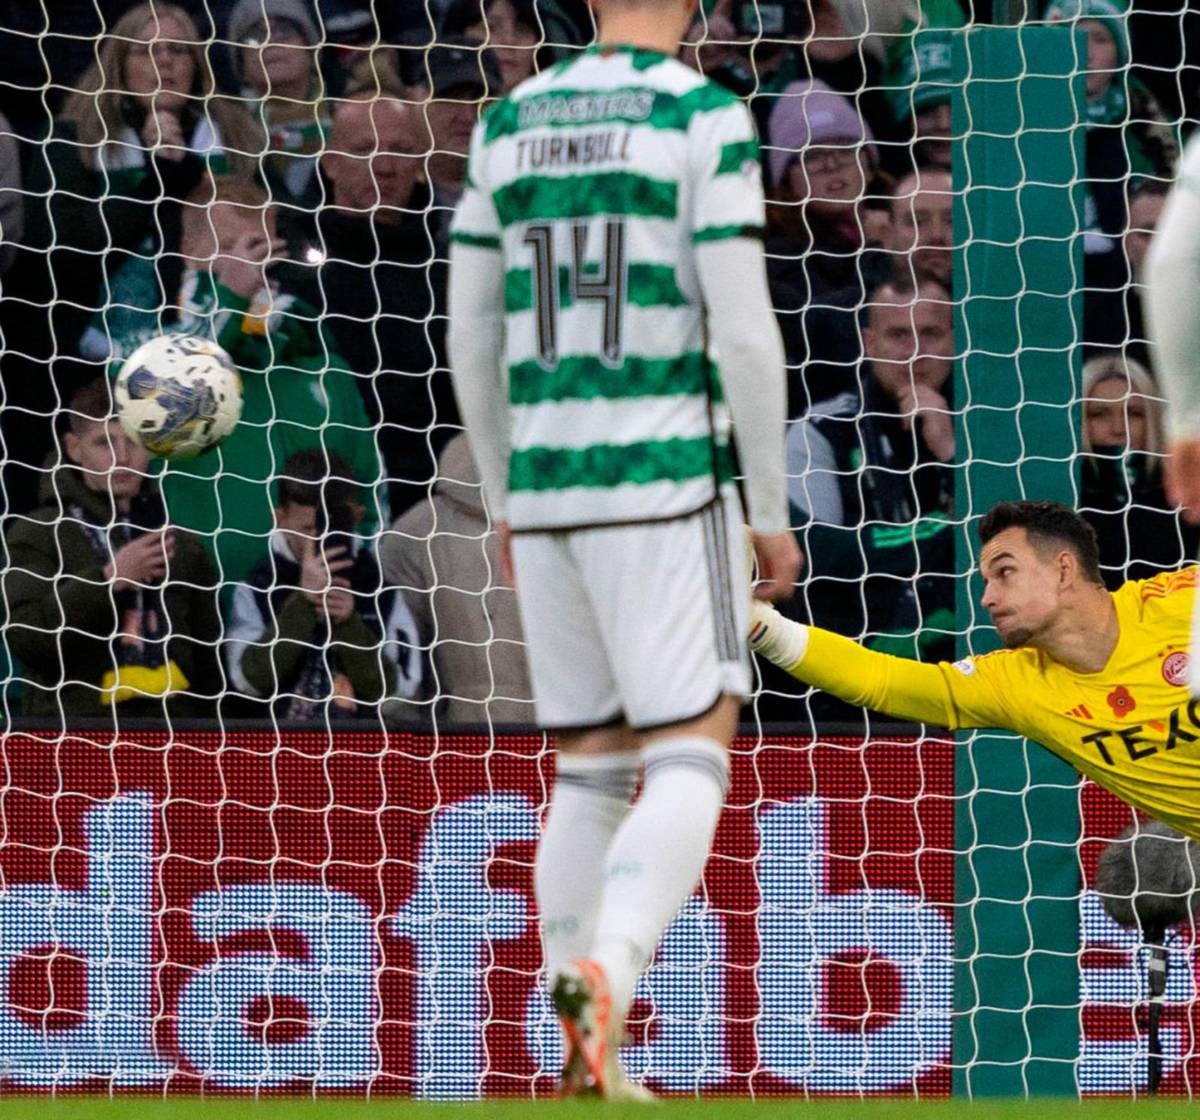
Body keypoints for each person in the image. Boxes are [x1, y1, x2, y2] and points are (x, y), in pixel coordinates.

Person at [447, 0, 800, 1097]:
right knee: (692, 749)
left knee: (589, 770)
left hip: (548, 489)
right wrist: (769, 505)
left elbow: (471, 329)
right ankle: (611, 968)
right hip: (665, 482)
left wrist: (502, 500)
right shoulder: (702, 114)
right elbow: (742, 327)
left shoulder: (510, 119)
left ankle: (575, 1033)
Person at [749, 499, 1200, 843]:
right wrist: (761, 625)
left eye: (1005, 573)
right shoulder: (1013, 684)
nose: (988, 598)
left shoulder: (1181, 603)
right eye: (986, 581)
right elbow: (877, 679)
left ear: (1064, 570)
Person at [104, 175, 383, 585]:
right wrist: (229, 298)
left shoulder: (318, 360)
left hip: (318, 604)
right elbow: (172, 393)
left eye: (258, 249)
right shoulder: (142, 348)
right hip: (203, 606)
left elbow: (370, 492)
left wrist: (361, 579)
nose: (248, 267)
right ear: (188, 249)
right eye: (229, 249)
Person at [4, 379, 222, 725]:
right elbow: (28, 642)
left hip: (172, 738)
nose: (122, 457)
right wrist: (108, 580)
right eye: (105, 442)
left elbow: (210, 671)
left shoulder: (183, 546)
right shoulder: (38, 532)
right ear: (74, 448)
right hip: (75, 737)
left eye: (133, 441)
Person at [786, 274, 956, 663]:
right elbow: (817, 553)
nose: (915, 352)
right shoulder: (821, 430)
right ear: (869, 342)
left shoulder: (989, 427)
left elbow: (1004, 535)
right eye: (898, 335)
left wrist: (949, 451)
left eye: (930, 334)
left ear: (953, 340)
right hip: (857, 652)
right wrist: (945, 529)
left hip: (973, 642)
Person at [312, 93, 460, 518]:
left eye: (401, 149)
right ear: (330, 163)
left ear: (420, 164)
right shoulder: (295, 272)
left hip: (436, 504)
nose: (385, 166)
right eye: (365, 150)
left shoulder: (449, 271)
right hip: (332, 506)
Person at [226, 450, 424, 723]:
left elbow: (397, 694)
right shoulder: (257, 589)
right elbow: (249, 683)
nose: (317, 541)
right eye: (308, 530)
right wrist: (302, 604)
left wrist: (348, 625)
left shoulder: (380, 592)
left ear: (356, 516)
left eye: (330, 529)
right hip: (277, 746)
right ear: (279, 519)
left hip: (360, 746)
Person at [380, 434, 535, 727]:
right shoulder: (418, 534)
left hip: (470, 742)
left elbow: (401, 681)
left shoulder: (417, 530)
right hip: (584, 736)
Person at [763, 79, 890, 411]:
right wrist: (876, 253)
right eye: (813, 155)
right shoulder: (777, 259)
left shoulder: (907, 225)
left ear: (870, 165)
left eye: (846, 149)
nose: (832, 165)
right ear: (787, 181)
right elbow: (832, 332)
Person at [1078, 354, 1199, 586]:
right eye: (1099, 414)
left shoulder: (1183, 500)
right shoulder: (1071, 500)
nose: (1118, 428)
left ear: (1153, 418)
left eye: (1133, 413)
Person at [226, 0, 330, 223]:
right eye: (255, 36)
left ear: (311, 49)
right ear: (241, 64)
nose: (270, 42)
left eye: (285, 31)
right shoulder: (224, 131)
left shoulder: (348, 112)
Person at [888, 163, 952, 291]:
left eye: (952, 221)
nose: (936, 235)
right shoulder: (860, 300)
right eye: (918, 222)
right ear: (889, 233)